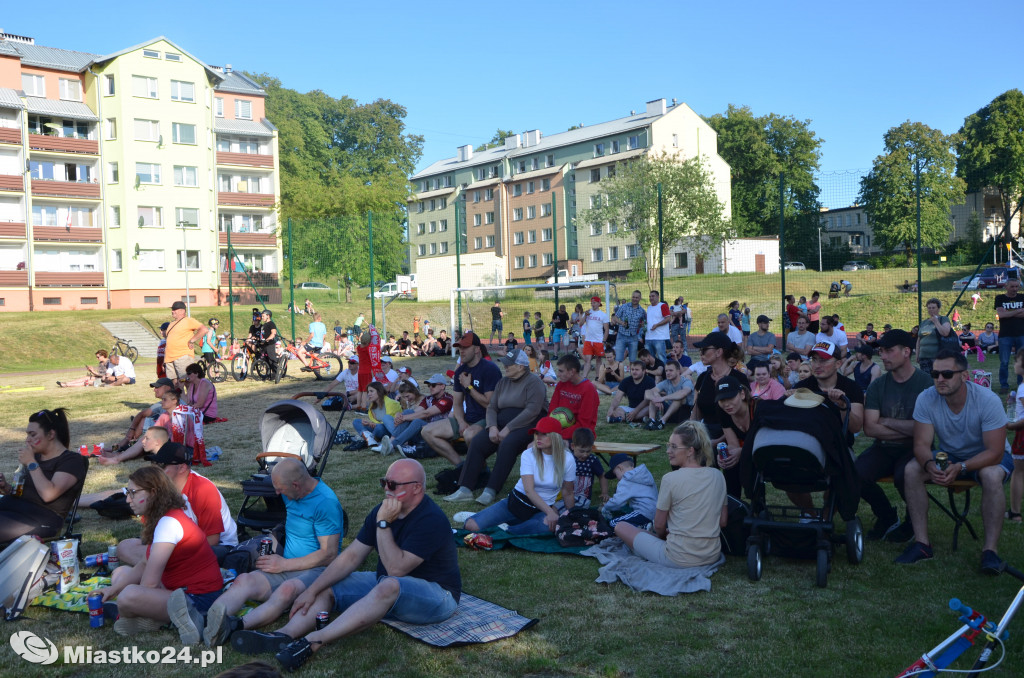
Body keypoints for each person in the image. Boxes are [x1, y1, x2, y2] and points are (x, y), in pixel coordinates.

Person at [229, 460, 459, 672]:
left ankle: (313, 641)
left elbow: (396, 570)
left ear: (417, 488)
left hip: (437, 596)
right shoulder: (384, 511)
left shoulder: (430, 519)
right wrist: (312, 590)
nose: (386, 489)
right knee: (328, 586)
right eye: (383, 482)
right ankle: (283, 636)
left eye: (392, 484)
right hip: (387, 583)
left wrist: (382, 524)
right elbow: (351, 557)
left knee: (389, 585)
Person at [199, 459, 343, 648]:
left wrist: (284, 565)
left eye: (280, 489)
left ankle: (234, 626)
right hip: (285, 563)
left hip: (316, 569)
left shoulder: (325, 503)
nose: (276, 493)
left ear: (296, 485)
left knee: (286, 590)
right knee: (244, 580)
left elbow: (329, 554)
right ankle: (206, 622)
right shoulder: (291, 493)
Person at [896, 350, 1015, 574]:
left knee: (990, 475)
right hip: (950, 454)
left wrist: (961, 467)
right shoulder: (926, 398)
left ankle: (990, 551)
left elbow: (996, 452)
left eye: (948, 374)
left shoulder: (987, 400)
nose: (940, 379)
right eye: (935, 374)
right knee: (912, 469)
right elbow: (921, 445)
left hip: (987, 455)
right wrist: (929, 465)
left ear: (964, 376)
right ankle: (922, 544)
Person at [95, 466, 223, 638]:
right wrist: (113, 590)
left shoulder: (168, 523)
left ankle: (169, 619)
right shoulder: (165, 517)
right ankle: (155, 620)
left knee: (128, 596)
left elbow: (149, 585)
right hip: (187, 591)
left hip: (197, 600)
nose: (127, 500)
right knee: (121, 573)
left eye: (133, 492)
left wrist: (128, 602)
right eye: (128, 492)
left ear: (153, 493)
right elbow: (144, 563)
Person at [613, 421, 727, 569]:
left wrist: (663, 538)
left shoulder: (670, 479)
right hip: (712, 554)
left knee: (620, 526)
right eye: (668, 445)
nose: (668, 451)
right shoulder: (717, 475)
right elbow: (723, 522)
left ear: (690, 451)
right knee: (645, 532)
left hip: (677, 557)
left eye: (674, 447)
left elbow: (659, 525)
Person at [857, 329, 933, 542]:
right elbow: (870, 429)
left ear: (906, 351)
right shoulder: (877, 386)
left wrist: (887, 421)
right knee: (856, 475)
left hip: (916, 448)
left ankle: (912, 523)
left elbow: (927, 430)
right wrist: (911, 428)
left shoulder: (926, 384)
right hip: (884, 448)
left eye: (888, 351)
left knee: (905, 476)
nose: (882, 356)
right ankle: (887, 516)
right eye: (881, 351)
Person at [445, 349, 547, 504]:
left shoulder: (534, 382)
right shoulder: (503, 382)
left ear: (521, 366)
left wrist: (508, 428)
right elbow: (492, 407)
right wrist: (492, 426)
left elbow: (532, 411)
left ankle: (491, 490)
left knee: (508, 444)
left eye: (509, 364)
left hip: (526, 425)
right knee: (478, 442)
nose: (505, 367)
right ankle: (465, 488)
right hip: (500, 423)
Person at [119, 438, 238, 567]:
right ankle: (160, 569)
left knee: (164, 556)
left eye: (161, 465)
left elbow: (212, 540)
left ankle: (160, 571)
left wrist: (169, 551)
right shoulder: (158, 488)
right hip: (176, 543)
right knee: (124, 547)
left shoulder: (203, 489)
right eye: (154, 463)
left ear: (181, 468)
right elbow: (152, 533)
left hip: (219, 547)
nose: (155, 470)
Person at [463, 417, 576, 535]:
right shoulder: (529, 454)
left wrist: (572, 517)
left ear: (555, 437)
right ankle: (508, 525)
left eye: (544, 434)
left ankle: (506, 529)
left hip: (540, 510)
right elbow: (529, 490)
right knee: (471, 526)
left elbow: (568, 492)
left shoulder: (567, 459)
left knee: (547, 528)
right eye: (537, 433)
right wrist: (551, 513)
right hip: (516, 504)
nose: (538, 437)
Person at [0, 408, 87, 542]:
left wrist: (31, 463)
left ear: (51, 435)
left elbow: (48, 494)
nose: (27, 440)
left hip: (40, 519)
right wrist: (5, 487)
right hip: (12, 509)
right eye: (27, 434)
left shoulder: (72, 460)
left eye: (33, 434)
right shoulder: (36, 457)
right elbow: (21, 492)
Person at [421, 331, 501, 464]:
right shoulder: (460, 371)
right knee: (427, 431)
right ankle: (461, 465)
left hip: (488, 419)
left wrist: (468, 387)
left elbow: (490, 404)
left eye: (465, 347)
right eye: (460, 347)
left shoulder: (490, 369)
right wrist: (461, 421)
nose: (461, 351)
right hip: (468, 419)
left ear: (476, 349)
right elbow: (457, 404)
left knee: (469, 434)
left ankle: (478, 469)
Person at [689, 332, 750, 443]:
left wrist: (716, 441)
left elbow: (745, 418)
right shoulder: (703, 378)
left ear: (719, 352)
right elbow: (696, 412)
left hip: (733, 438)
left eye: (704, 350)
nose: (701, 354)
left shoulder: (738, 379)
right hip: (706, 434)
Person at [386, 376, 453, 456]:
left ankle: (392, 444)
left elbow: (426, 413)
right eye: (429, 385)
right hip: (426, 429)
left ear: (443, 386)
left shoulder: (447, 399)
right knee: (408, 412)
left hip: (440, 431)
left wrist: (403, 418)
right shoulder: (429, 398)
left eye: (433, 385)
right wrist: (400, 415)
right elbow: (416, 412)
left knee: (417, 421)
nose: (430, 387)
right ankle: (392, 441)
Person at [546, 354, 599, 440]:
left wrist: (558, 436)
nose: (558, 375)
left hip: (580, 435)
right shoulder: (561, 384)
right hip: (558, 432)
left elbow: (584, 424)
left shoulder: (588, 389)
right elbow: (552, 411)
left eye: (561, 371)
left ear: (572, 371)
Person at [601, 452, 658, 528]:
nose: (617, 478)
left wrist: (606, 507)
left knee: (615, 523)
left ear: (620, 468)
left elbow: (618, 502)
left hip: (643, 512)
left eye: (615, 474)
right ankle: (649, 525)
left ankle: (643, 527)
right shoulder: (644, 474)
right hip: (657, 512)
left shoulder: (626, 480)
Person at [165, 301, 208, 385]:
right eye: (172, 309)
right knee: (174, 384)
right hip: (169, 359)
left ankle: (191, 398)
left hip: (182, 357)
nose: (172, 311)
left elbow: (204, 329)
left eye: (174, 309)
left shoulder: (188, 321)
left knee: (188, 382)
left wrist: (192, 340)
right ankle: (180, 398)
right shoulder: (171, 324)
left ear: (182, 311)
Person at [351, 382, 402, 451]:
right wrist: (369, 423)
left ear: (379, 391)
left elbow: (390, 422)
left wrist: (374, 424)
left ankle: (369, 437)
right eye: (368, 392)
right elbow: (376, 422)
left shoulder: (391, 403)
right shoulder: (372, 406)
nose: (369, 394)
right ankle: (370, 437)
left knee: (379, 428)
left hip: (388, 431)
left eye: (371, 391)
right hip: (377, 428)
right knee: (356, 422)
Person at [644, 360, 694, 429]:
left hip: (685, 412)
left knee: (678, 398)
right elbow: (648, 392)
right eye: (666, 371)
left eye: (671, 370)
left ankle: (662, 422)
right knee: (653, 398)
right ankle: (651, 421)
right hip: (671, 411)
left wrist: (663, 398)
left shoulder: (686, 381)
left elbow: (683, 393)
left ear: (678, 371)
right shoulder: (666, 382)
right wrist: (655, 399)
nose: (668, 373)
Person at [995, 277, 1024, 391]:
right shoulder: (1000, 298)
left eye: (1016, 286)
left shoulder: (1023, 297)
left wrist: (1008, 313)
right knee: (1004, 362)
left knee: (1022, 361)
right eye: (1012, 286)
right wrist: (1018, 311)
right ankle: (1004, 385)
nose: (1014, 289)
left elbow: (1005, 314)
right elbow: (1001, 315)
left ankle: (1021, 384)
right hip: (1005, 335)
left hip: (1021, 334)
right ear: (1006, 287)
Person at [567, 428, 608, 508]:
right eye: (581, 451)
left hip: (583, 497)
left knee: (575, 510)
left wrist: (604, 492)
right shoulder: (568, 458)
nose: (585, 455)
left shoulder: (592, 460)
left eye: (588, 451)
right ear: (572, 446)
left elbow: (602, 476)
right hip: (567, 494)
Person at [1007, 349, 1024, 524]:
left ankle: (1015, 512)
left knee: (1018, 473)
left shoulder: (1023, 388)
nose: (1014, 365)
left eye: (1016, 361)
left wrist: (1011, 426)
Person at [916, 297, 954, 376]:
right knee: (926, 380)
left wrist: (936, 322)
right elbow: (919, 340)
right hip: (924, 357)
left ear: (938, 308)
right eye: (929, 308)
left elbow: (945, 333)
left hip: (937, 357)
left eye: (933, 307)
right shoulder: (924, 323)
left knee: (938, 379)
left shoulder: (943, 319)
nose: (931, 310)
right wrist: (917, 354)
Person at [611, 290, 645, 363]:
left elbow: (643, 323)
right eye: (633, 297)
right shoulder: (624, 306)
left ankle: (632, 374)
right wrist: (621, 322)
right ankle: (618, 374)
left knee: (632, 360)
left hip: (633, 337)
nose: (634, 299)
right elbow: (615, 317)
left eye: (636, 297)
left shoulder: (642, 311)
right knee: (618, 359)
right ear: (631, 297)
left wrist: (641, 325)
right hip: (621, 335)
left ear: (640, 298)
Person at [580, 296, 609, 382]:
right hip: (588, 340)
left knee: (598, 359)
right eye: (592, 303)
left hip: (598, 340)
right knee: (587, 360)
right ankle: (584, 377)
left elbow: (606, 329)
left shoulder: (603, 315)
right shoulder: (588, 313)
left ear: (599, 303)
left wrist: (604, 340)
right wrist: (585, 315)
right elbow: (580, 324)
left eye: (594, 303)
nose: (593, 304)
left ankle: (597, 376)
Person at [644, 290, 672, 362]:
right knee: (649, 358)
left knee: (661, 357)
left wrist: (657, 325)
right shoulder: (649, 307)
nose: (651, 298)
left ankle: (664, 373)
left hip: (659, 337)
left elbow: (668, 318)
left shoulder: (662, 306)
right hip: (649, 337)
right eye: (650, 296)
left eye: (653, 296)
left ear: (658, 297)